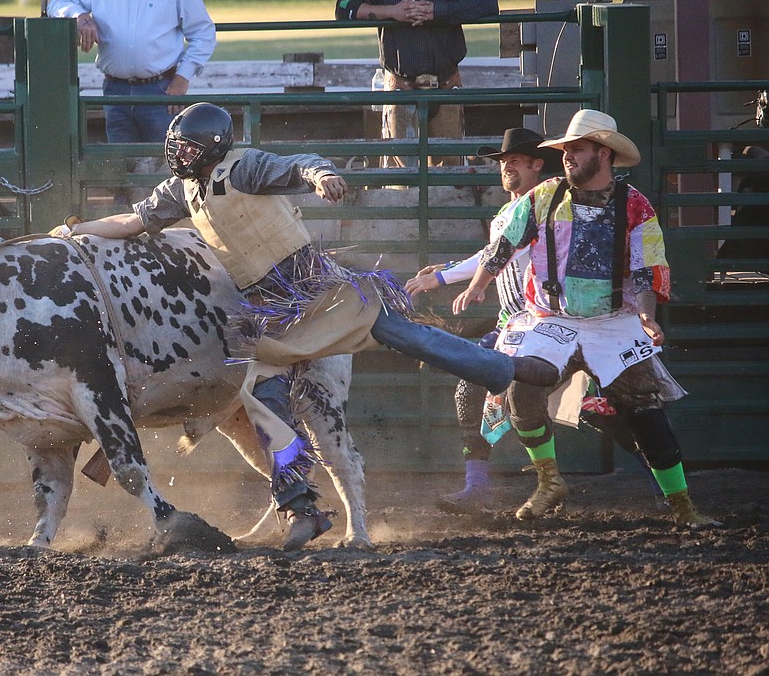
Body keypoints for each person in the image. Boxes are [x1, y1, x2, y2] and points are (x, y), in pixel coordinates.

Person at [49, 102, 558, 549]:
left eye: (186, 146)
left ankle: (502, 368)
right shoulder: (183, 190)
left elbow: (297, 165)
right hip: (262, 310)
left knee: (401, 334)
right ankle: (300, 506)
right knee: (266, 407)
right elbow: (132, 221)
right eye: (176, 146)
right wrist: (77, 230)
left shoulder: (242, 168)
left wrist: (321, 176)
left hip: (311, 285)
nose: (178, 154)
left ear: (211, 147)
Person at [453, 110, 720, 529]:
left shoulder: (635, 206)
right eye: (564, 151)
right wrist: (480, 283)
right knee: (522, 389)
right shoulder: (544, 196)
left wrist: (647, 317)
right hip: (551, 317)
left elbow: (647, 270)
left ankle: (683, 506)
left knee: (644, 412)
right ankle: (549, 481)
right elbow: (506, 241)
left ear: (604, 153)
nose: (567, 157)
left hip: (613, 320)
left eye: (576, 149)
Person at [406, 128, 655, 514]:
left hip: (542, 323)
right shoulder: (520, 209)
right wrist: (453, 271)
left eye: (515, 161)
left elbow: (497, 254)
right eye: (503, 162)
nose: (506, 167)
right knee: (481, 388)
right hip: (529, 323)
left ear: (537, 165)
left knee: (602, 407)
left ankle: (658, 480)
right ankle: (488, 486)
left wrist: (443, 277)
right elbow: (492, 253)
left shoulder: (545, 207)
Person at [334, 0, 497, 168]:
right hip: (401, 87)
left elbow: (488, 3)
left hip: (445, 85)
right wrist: (392, 12)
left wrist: (437, 12)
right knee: (402, 174)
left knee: (450, 173)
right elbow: (343, 7)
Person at [46, 0, 216, 145]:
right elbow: (57, 2)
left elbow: (204, 33)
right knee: (120, 165)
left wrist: (182, 78)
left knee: (163, 165)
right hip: (115, 91)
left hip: (162, 90)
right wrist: (80, 15)